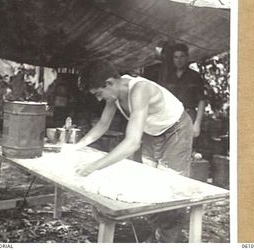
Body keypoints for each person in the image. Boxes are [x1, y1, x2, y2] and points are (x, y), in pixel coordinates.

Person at [67, 60, 193, 242]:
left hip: (176, 129)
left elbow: (132, 143)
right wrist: (76, 147)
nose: (98, 99)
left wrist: (93, 167)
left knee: (171, 186)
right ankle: (156, 230)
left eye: (98, 93)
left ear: (109, 82)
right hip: (153, 131)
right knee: (152, 182)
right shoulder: (115, 94)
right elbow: (102, 124)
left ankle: (167, 240)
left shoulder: (140, 90)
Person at [164, 43, 206, 138]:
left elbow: (202, 101)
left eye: (182, 56)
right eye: (176, 57)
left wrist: (197, 124)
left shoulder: (195, 76)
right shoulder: (168, 77)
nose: (179, 60)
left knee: (185, 148)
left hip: (188, 116)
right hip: (170, 118)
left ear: (187, 57)